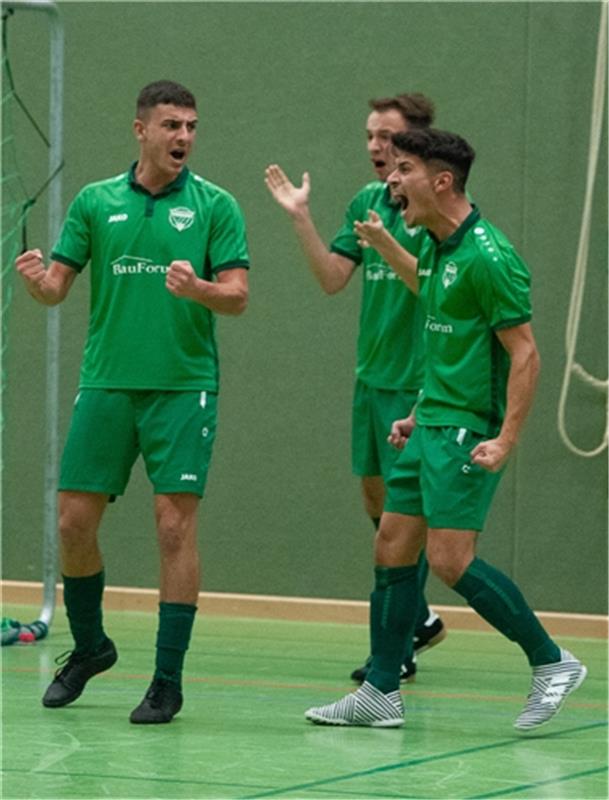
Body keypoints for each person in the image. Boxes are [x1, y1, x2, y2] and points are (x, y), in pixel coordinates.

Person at [304, 128, 587, 729]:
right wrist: (417, 408)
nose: (390, 179)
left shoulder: (489, 256)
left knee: (452, 560)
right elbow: (448, 341)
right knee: (391, 544)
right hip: (431, 420)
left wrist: (506, 438)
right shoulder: (433, 246)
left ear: (442, 181)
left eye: (402, 169)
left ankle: (552, 661)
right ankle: (381, 690)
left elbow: (526, 354)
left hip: (466, 431)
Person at [15, 80, 250, 725]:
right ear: (140, 130)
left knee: (174, 527)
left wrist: (199, 287)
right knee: (72, 522)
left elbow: (238, 295)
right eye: (172, 125)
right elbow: (57, 289)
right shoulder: (95, 202)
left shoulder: (216, 206)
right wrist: (38, 282)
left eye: (192, 126)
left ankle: (167, 680)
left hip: (182, 388)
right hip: (107, 384)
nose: (184, 138)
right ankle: (90, 647)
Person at [265, 94, 446, 684]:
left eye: (388, 137)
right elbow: (331, 279)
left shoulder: (436, 210)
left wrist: (387, 243)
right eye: (370, 135)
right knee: (377, 507)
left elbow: (436, 289)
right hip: (369, 378)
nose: (375, 147)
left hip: (415, 385)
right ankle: (417, 617)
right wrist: (299, 217)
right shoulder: (366, 203)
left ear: (416, 144)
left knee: (401, 520)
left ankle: (396, 647)